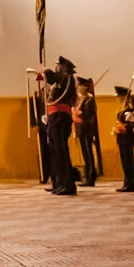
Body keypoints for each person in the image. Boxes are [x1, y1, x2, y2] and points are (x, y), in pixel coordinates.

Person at [38, 57, 78, 196]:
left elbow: (54, 78)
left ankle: (67, 183)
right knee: (54, 151)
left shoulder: (67, 79)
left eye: (58, 66)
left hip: (61, 117)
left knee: (61, 152)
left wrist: (46, 71)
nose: (56, 68)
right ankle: (58, 182)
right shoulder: (61, 80)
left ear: (64, 67)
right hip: (54, 116)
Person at [74, 77, 101, 186]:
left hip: (87, 129)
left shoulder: (89, 99)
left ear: (86, 87)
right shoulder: (81, 99)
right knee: (85, 153)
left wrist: (79, 113)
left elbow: (89, 115)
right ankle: (87, 176)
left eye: (81, 85)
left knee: (88, 153)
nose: (79, 88)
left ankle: (90, 176)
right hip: (81, 128)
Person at [112, 85, 134, 192]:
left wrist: (123, 127)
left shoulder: (129, 110)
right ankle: (127, 182)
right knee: (125, 160)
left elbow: (132, 124)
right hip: (122, 138)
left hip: (127, 137)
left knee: (128, 160)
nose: (117, 98)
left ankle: (130, 184)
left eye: (119, 96)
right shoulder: (123, 109)